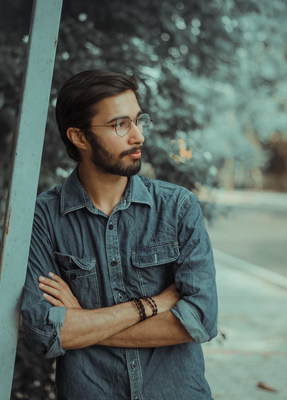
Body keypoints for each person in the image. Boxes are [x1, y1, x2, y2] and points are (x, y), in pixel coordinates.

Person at [21, 70, 218, 400]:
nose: (138, 136)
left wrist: (81, 323)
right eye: (120, 125)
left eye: (139, 120)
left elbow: (198, 320)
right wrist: (152, 305)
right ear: (79, 137)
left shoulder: (178, 207)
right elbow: (45, 331)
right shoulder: (44, 217)